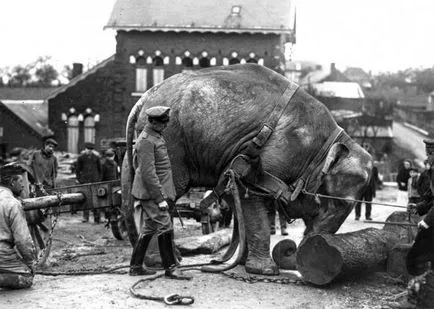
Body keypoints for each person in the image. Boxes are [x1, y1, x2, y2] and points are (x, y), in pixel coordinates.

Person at [129, 105, 191, 280]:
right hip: (151, 193)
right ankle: (171, 269)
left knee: (149, 227)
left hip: (153, 191)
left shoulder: (155, 136)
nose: (165, 126)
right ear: (153, 122)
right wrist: (159, 198)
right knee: (165, 225)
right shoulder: (147, 140)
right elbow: (148, 173)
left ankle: (135, 267)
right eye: (162, 123)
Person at [0, 163, 36, 289]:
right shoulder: (12, 203)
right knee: (27, 279)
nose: (23, 185)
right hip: (2, 254)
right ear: (11, 182)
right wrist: (31, 263)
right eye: (20, 181)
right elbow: (23, 240)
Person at [75, 142, 102, 223]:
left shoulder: (96, 157)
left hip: (95, 181)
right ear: (85, 149)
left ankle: (97, 218)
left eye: (91, 150)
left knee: (96, 198)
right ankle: (85, 217)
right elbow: (77, 169)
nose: (89, 151)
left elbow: (100, 169)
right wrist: (80, 179)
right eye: (88, 149)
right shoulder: (81, 157)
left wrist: (99, 179)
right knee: (85, 199)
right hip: (85, 181)